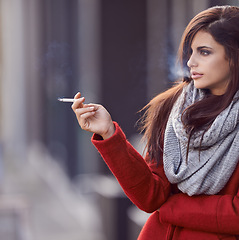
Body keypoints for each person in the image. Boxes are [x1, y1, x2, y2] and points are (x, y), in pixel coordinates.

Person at [72, 5, 239, 240]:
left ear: (234, 56)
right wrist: (109, 134)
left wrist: (171, 208)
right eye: (190, 52)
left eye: (204, 52)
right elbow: (151, 196)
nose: (190, 62)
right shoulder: (173, 108)